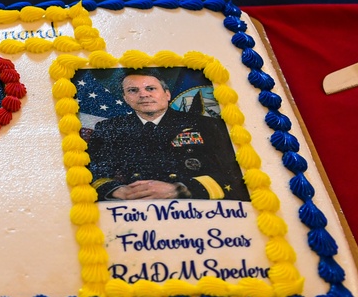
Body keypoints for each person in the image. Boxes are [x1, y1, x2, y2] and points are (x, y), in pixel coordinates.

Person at [87, 69, 249, 201]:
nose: (143, 95)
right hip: (133, 211)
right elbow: (93, 172)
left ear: (167, 94)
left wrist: (181, 189)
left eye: (150, 88)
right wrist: (116, 190)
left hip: (196, 210)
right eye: (133, 90)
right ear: (126, 98)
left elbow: (234, 174)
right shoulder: (110, 128)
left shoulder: (207, 126)